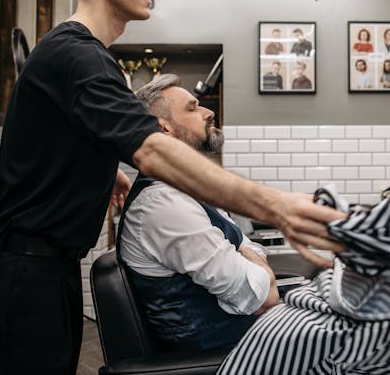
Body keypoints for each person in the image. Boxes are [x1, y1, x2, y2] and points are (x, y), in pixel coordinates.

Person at [0, 0, 343, 375]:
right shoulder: (77, 55)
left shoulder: (83, 56)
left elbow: (69, 141)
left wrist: (111, 177)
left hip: (42, 271)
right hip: (22, 277)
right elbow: (153, 148)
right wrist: (275, 206)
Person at [119, 74, 279, 351]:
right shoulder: (162, 204)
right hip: (224, 352)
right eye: (192, 108)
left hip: (240, 338)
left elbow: (246, 245)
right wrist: (258, 268)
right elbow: (262, 296)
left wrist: (252, 261)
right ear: (164, 128)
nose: (209, 112)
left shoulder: (185, 191)